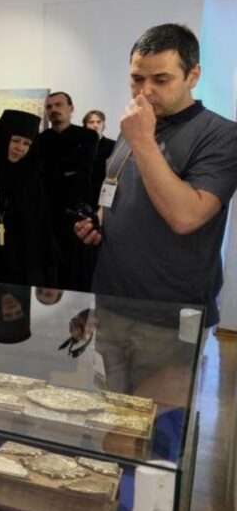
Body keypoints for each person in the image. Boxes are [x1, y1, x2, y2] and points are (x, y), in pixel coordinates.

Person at [76, 23, 237, 331]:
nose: (145, 91)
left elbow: (186, 217)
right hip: (111, 300)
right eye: (137, 79)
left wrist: (143, 141)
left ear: (193, 76)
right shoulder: (134, 125)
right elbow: (117, 189)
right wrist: (99, 221)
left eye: (161, 80)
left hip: (173, 312)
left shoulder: (221, 135)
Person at [0, 109, 58, 287]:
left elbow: (40, 226)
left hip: (21, 264)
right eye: (16, 140)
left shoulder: (32, 179)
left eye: (27, 143)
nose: (20, 148)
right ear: (4, 138)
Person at [36, 91, 99, 291]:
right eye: (49, 107)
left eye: (58, 105)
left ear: (71, 108)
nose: (53, 110)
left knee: (77, 274)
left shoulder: (87, 136)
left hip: (78, 216)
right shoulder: (41, 139)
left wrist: (54, 170)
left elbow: (83, 167)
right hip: (48, 216)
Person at [83, 109, 116, 206]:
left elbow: (114, 175)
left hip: (104, 194)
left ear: (103, 124)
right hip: (82, 194)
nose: (95, 125)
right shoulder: (78, 145)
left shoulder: (113, 145)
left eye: (98, 122)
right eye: (91, 122)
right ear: (85, 125)